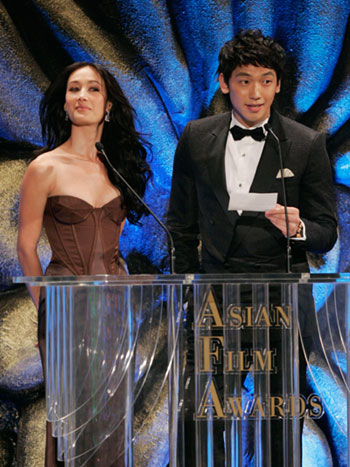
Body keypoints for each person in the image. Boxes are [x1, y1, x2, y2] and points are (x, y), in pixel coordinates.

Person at [167, 30, 337, 465]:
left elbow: (326, 231)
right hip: (215, 296)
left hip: (281, 295)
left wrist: (298, 227)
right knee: (202, 416)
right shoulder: (195, 138)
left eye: (265, 80)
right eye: (244, 80)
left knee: (280, 417)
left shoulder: (304, 143)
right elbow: (181, 226)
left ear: (278, 85)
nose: (255, 92)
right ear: (225, 83)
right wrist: (188, 291)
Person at [17, 62, 152, 466]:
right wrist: (46, 306)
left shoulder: (118, 170)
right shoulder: (44, 168)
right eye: (74, 89)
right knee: (70, 415)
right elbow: (26, 248)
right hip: (64, 308)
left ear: (107, 105)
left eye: (93, 89)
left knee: (112, 417)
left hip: (114, 307)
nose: (82, 97)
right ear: (64, 105)